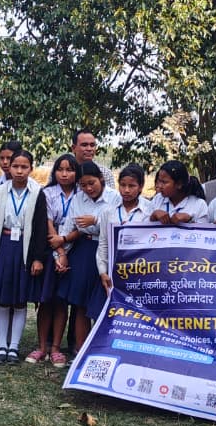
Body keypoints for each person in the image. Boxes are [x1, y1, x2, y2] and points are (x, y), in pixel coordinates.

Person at [0, 150, 48, 364]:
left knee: (20, 300)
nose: (19, 171)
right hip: (4, 246)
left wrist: (38, 258)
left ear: (31, 169)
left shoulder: (37, 193)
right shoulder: (0, 191)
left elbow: (40, 228)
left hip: (25, 248)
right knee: (2, 298)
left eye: (24, 167)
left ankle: (14, 346)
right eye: (15, 166)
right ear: (9, 167)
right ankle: (2, 345)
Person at [55, 162, 119, 353]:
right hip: (84, 248)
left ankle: (103, 349)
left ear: (101, 179)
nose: (88, 189)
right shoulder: (78, 199)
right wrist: (61, 253)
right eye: (83, 185)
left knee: (103, 302)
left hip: (107, 249)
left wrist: (97, 220)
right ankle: (80, 350)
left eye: (92, 183)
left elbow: (117, 223)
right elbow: (69, 226)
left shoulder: (114, 197)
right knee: (81, 304)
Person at [34, 154, 79, 366]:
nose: (64, 174)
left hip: (75, 247)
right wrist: (60, 253)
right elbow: (48, 222)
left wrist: (66, 244)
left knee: (61, 301)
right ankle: (42, 347)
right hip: (51, 248)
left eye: (69, 170)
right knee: (46, 299)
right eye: (60, 169)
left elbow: (82, 226)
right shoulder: (47, 193)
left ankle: (56, 348)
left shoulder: (82, 194)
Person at [94, 164, 152, 319]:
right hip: (113, 272)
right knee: (108, 314)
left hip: (140, 272)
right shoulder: (109, 211)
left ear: (141, 187)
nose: (126, 190)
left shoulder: (149, 210)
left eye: (132, 186)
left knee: (136, 316)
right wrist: (102, 272)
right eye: (123, 185)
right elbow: (103, 243)